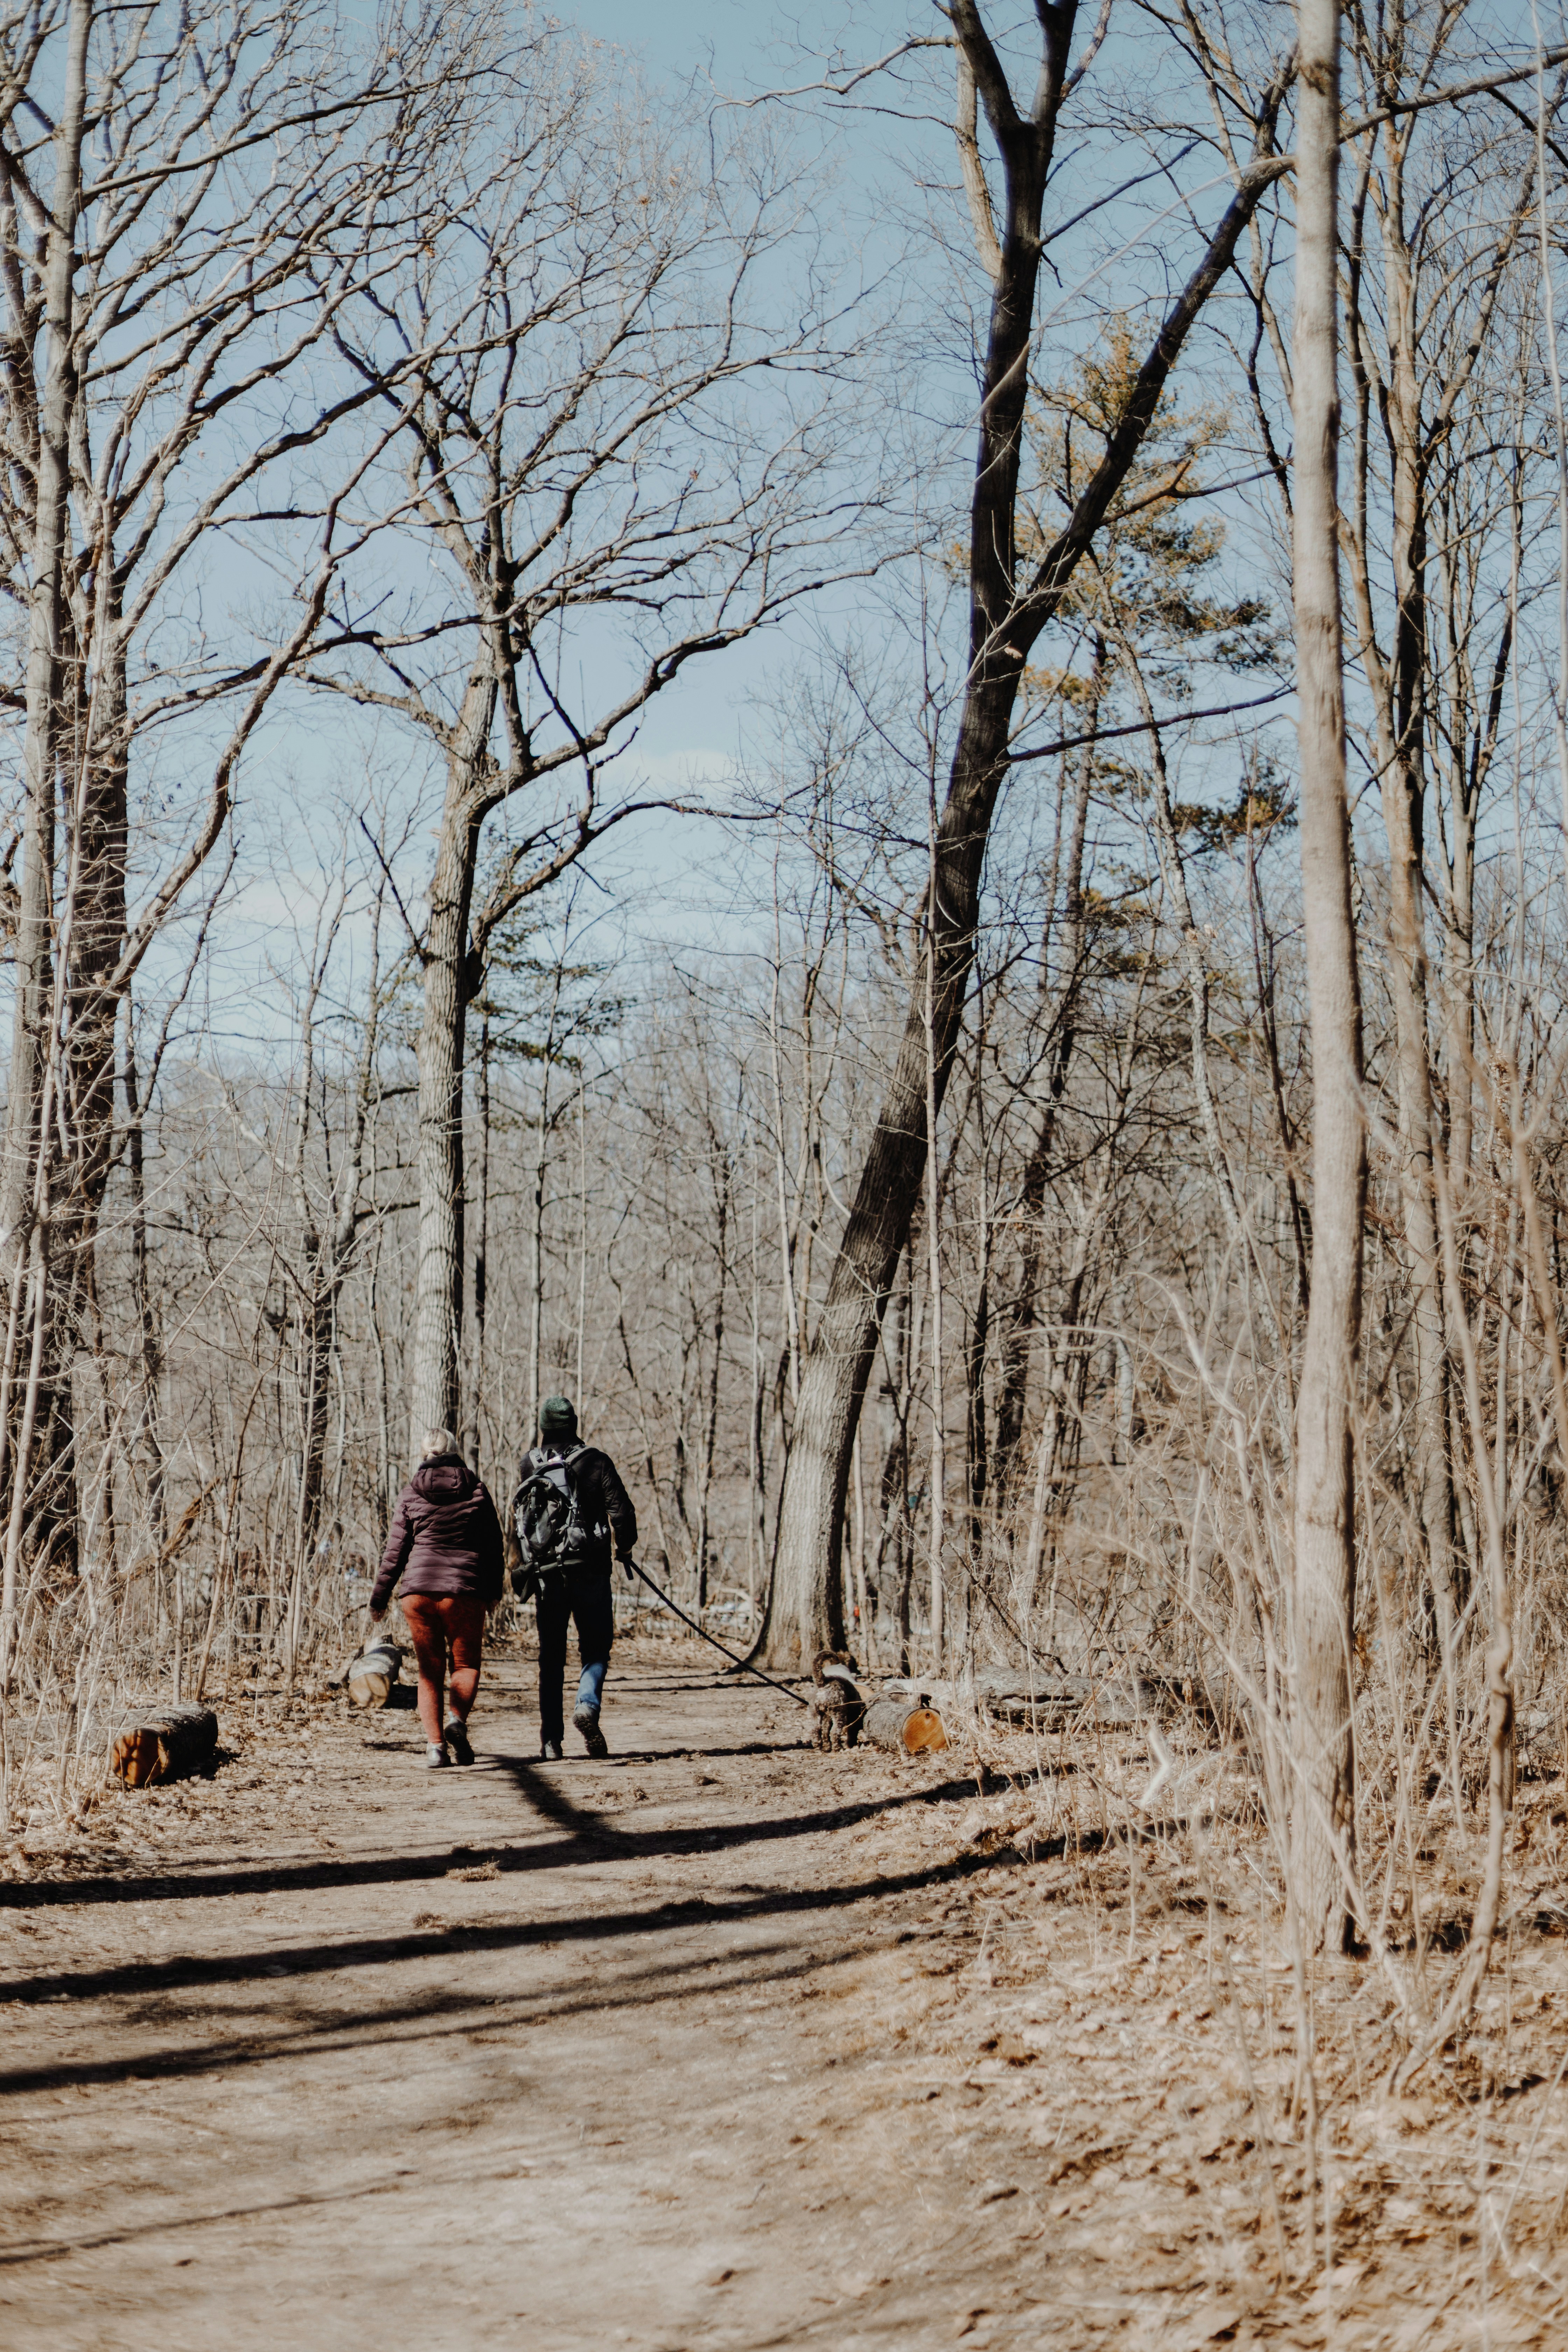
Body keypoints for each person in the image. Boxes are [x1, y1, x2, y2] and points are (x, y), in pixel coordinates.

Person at [370, 1427, 505, 1769]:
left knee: (430, 1673)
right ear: (455, 1451)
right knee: (466, 1665)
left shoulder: (410, 1493)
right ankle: (456, 1722)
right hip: (464, 1591)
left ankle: (435, 1748)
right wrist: (493, 1591)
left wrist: (379, 1598)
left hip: (419, 1593)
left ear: (423, 1452)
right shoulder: (476, 1489)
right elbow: (493, 1547)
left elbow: (395, 1551)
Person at [513, 1396, 636, 1760]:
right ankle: (587, 1704)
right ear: (575, 1425)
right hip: (591, 1571)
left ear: (543, 1427)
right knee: (596, 1647)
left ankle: (551, 1741)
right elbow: (622, 1513)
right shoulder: (596, 1461)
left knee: (551, 1659)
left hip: (547, 1575)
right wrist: (624, 1548)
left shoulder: (530, 1464)